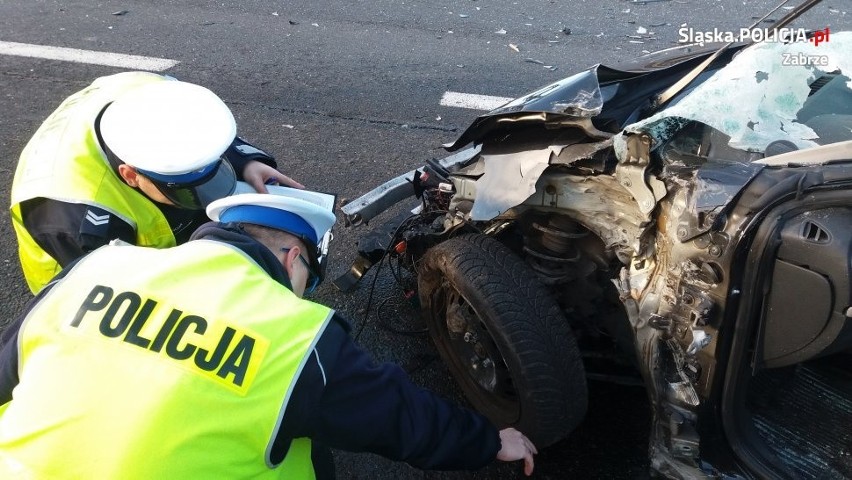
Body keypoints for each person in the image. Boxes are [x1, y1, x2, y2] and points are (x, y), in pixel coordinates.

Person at [0, 192, 538, 479]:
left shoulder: (97, 269)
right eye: (308, 278)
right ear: (291, 257)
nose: (303, 292)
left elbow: (8, 368)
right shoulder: (294, 334)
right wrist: (490, 440)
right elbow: (394, 417)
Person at [10, 71, 303, 294]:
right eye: (186, 190)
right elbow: (113, 296)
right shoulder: (70, 212)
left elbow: (204, 131)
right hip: (77, 274)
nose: (205, 198)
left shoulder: (158, 93)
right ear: (130, 175)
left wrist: (243, 162)